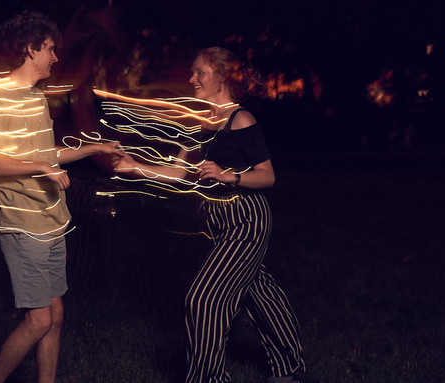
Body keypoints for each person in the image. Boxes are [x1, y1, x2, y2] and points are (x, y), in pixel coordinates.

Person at [112, 47, 306, 383]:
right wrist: (135, 167)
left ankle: (208, 378)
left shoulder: (241, 119)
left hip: (246, 219)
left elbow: (268, 175)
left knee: (203, 299)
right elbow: (177, 173)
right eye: (192, 72)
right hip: (218, 222)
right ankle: (289, 367)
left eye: (199, 72)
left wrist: (229, 175)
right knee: (259, 292)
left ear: (221, 76)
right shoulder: (199, 122)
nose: (191, 78)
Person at [0, 11, 123, 383]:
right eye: (51, 49)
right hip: (23, 222)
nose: (56, 57)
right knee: (38, 319)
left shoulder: (35, 96)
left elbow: (46, 154)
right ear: (31, 48)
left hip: (51, 219)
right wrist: (41, 169)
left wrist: (93, 148)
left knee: (55, 315)